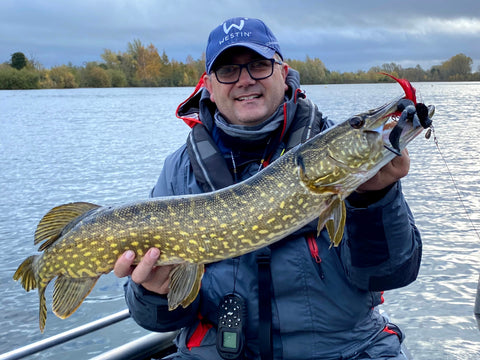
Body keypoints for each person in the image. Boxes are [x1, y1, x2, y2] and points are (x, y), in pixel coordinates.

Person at [114, 17, 421, 360]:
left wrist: (375, 198)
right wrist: (153, 293)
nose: (245, 80)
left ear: (283, 72)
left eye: (259, 65)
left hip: (345, 351)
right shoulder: (179, 171)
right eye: (228, 71)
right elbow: (156, 319)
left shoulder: (339, 160)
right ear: (209, 87)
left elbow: (393, 273)